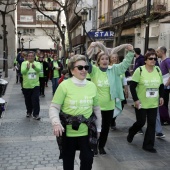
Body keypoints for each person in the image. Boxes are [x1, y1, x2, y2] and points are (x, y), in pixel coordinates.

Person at [49, 54, 101, 170]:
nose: (84, 70)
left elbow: (96, 108)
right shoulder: (64, 86)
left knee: (88, 160)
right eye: (80, 68)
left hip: (87, 132)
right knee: (68, 162)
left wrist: (98, 128)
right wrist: (56, 123)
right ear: (72, 70)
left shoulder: (92, 86)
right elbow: (54, 107)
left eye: (86, 67)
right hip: (68, 132)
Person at [87, 42, 134, 155]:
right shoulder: (94, 71)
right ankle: (93, 145)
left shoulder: (114, 70)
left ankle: (101, 146)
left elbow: (125, 64)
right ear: (98, 61)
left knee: (105, 128)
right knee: (94, 127)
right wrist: (90, 48)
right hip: (96, 106)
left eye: (106, 59)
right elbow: (85, 62)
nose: (104, 60)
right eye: (102, 59)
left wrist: (130, 52)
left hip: (109, 105)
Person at [127, 51, 164, 153]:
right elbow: (132, 86)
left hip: (153, 102)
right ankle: (131, 132)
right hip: (141, 103)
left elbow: (161, 85)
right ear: (145, 60)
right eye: (150, 59)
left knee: (151, 124)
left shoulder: (157, 70)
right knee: (141, 122)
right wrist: (136, 100)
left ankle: (148, 145)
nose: (153, 61)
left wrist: (161, 96)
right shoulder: (140, 70)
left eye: (155, 59)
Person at [109, 53, 128, 130]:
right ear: (110, 58)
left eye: (115, 57)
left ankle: (113, 119)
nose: (114, 59)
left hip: (120, 91)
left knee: (121, 105)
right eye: (112, 57)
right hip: (111, 91)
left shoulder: (120, 67)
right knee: (111, 107)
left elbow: (124, 79)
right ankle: (111, 121)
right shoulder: (108, 67)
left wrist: (126, 89)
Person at [21, 51, 41, 120]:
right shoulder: (24, 63)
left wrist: (34, 67)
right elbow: (22, 72)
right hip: (26, 85)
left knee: (35, 99)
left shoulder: (37, 63)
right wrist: (27, 68)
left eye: (32, 56)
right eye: (29, 56)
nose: (30, 57)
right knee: (28, 100)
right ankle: (29, 111)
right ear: (27, 57)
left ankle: (36, 114)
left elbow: (39, 70)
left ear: (34, 57)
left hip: (35, 85)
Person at [156, 46, 170, 125]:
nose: (157, 53)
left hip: (165, 86)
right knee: (163, 103)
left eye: (158, 52)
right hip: (163, 85)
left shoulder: (167, 61)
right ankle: (164, 118)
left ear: (162, 52)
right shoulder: (162, 61)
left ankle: (165, 119)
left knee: (163, 103)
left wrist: (166, 85)